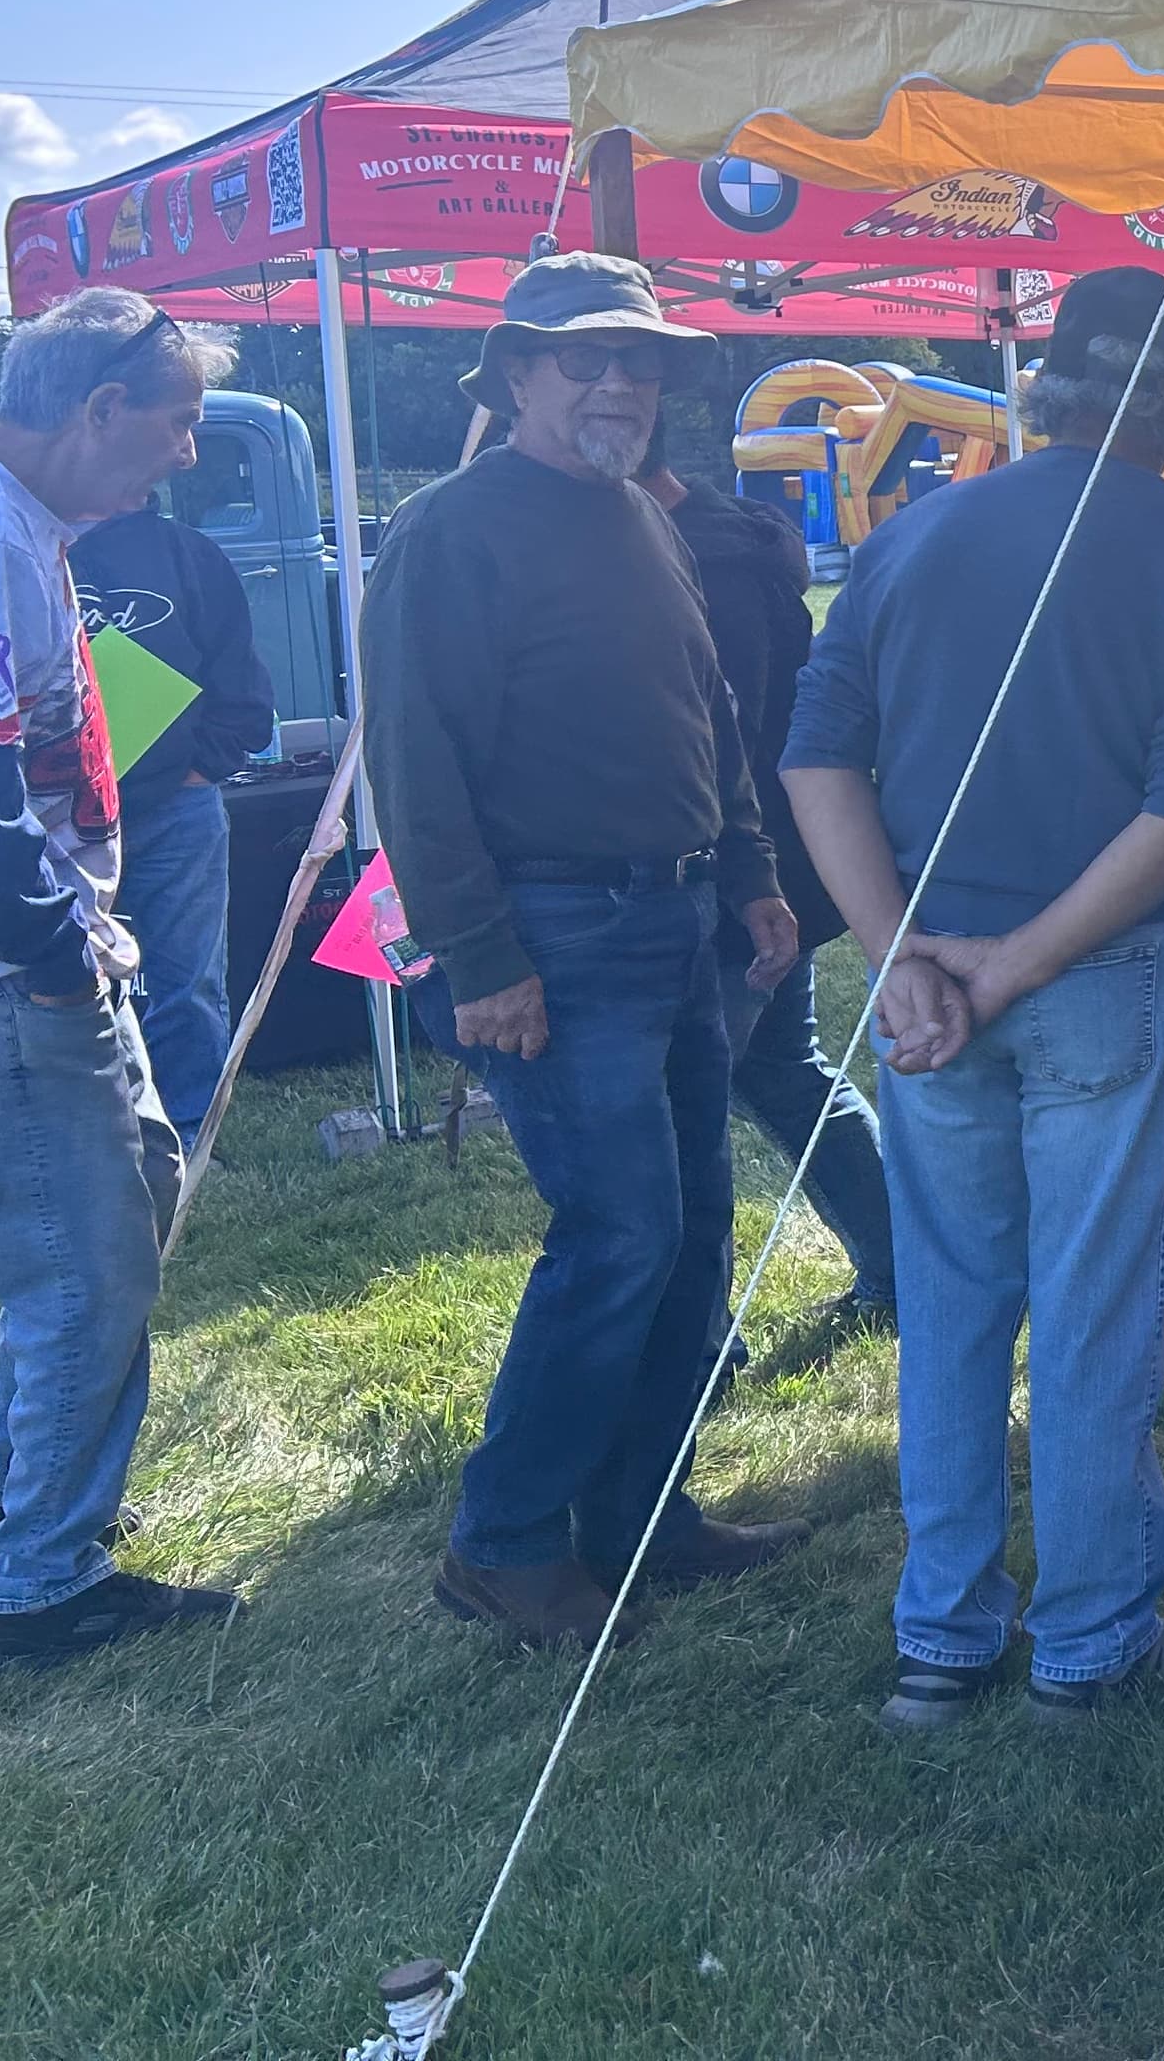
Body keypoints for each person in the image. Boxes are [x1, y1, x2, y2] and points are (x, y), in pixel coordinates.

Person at [782, 268, 1164, 1731]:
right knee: (1094, 1311)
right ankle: (1090, 1639)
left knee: (949, 1299)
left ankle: (942, 1638)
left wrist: (905, 955)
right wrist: (990, 964)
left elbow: (819, 762)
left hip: (943, 977)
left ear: (1041, 385)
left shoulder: (913, 533)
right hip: (1093, 980)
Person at [361, 253, 805, 1651]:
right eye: (584, 359)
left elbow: (710, 712)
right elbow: (412, 762)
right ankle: (501, 1543)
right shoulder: (452, 531)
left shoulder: (641, 515)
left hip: (672, 921)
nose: (621, 383)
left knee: (687, 1237)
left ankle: (639, 1518)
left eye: (642, 360)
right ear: (510, 376)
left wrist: (752, 875)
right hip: (551, 928)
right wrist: (481, 956)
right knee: (622, 1233)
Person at [0, 292, 247, 1671]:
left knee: (133, 1196)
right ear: (99, 411)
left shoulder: (18, 521)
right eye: (180, 420)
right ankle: (48, 1583)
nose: (186, 452)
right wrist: (63, 960)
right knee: (86, 1267)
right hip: (13, 973)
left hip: (35, 961)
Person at [641, 427, 895, 1337]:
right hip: (750, 864)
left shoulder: (714, 565)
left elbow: (730, 742)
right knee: (776, 1074)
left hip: (737, 870)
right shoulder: (717, 540)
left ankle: (697, 1333)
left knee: (701, 1099)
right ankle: (899, 1262)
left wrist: (741, 878)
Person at [69, 493, 276, 1145]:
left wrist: (194, 770)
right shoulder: (22, 544)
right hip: (51, 821)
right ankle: (90, 1142)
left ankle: (191, 1137)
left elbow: (243, 697)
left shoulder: (192, 556)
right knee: (58, 990)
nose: (182, 453)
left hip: (174, 812)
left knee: (186, 985)